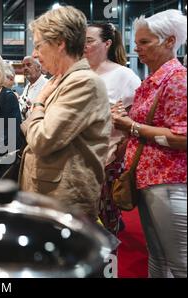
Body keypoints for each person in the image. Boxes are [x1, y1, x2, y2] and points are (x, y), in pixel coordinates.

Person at [112, 9, 187, 278]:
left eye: (145, 42)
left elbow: (182, 138)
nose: (137, 48)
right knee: (158, 256)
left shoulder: (177, 80)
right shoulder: (155, 79)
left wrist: (130, 126)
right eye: (137, 42)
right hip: (150, 179)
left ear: (169, 42)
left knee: (179, 262)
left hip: (168, 180)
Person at [19, 6, 111, 221]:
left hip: (62, 203)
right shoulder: (60, 80)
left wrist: (38, 104)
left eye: (39, 46)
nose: (34, 54)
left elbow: (42, 139)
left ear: (60, 43)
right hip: (46, 197)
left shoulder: (83, 82)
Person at [84, 23, 142, 235]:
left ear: (107, 43)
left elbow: (136, 120)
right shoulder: (78, 72)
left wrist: (121, 151)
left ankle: (110, 267)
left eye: (89, 40)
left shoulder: (124, 76)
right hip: (78, 162)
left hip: (108, 162)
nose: (84, 45)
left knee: (106, 224)